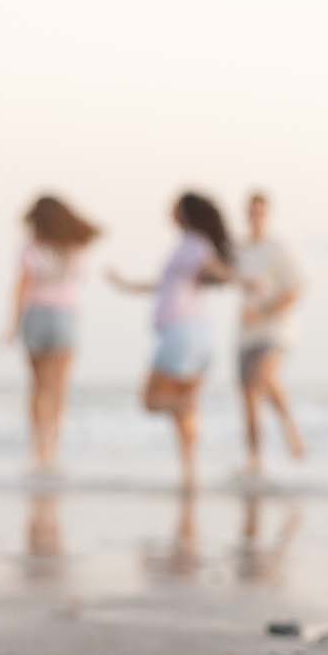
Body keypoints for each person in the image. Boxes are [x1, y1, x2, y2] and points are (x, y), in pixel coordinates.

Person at [108, 191, 237, 489]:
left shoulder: (193, 245)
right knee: (185, 414)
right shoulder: (189, 246)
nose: (169, 212)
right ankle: (190, 474)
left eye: (175, 208)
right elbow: (165, 285)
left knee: (151, 400)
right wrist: (124, 284)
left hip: (182, 333)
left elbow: (211, 268)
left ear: (187, 213)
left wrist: (231, 276)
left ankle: (185, 407)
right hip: (197, 334)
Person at [6, 195, 101, 475]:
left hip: (36, 314)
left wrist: (13, 323)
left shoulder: (31, 247)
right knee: (60, 387)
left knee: (38, 387)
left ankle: (40, 448)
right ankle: (54, 447)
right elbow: (82, 279)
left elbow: (22, 285)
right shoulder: (76, 247)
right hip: (66, 315)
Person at [237, 191, 305, 476]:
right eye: (252, 211)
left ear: (268, 215)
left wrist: (263, 313)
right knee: (249, 397)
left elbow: (295, 291)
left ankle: (291, 430)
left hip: (276, 330)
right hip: (246, 334)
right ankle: (255, 461)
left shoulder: (278, 249)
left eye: (261, 212)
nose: (256, 217)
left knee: (265, 377)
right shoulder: (239, 249)